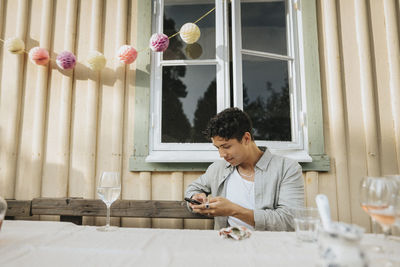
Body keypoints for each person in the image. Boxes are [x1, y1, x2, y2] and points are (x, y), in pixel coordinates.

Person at [184, 107, 304, 231]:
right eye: (217, 148)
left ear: (246, 138)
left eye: (226, 146)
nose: (221, 154)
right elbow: (193, 189)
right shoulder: (218, 169)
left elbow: (290, 221)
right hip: (227, 244)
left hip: (268, 246)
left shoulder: (287, 168)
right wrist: (195, 197)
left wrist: (233, 210)